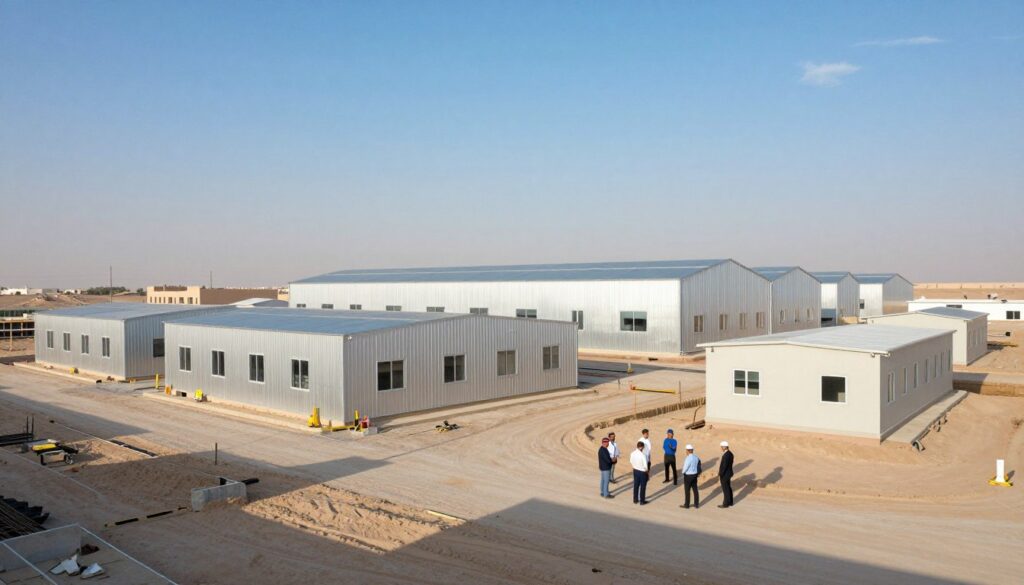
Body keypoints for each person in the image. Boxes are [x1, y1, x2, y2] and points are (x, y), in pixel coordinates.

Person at [680, 444, 701, 509]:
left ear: (688, 451)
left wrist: (683, 472)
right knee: (695, 490)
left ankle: (687, 505)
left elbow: (685, 467)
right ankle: (696, 504)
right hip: (694, 475)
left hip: (688, 476)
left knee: (687, 490)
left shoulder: (688, 458)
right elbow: (699, 464)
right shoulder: (696, 457)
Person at [718, 440, 734, 508]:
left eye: (721, 447)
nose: (721, 448)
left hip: (725, 474)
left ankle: (725, 503)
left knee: (725, 489)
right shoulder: (730, 453)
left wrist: (720, 474)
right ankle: (730, 502)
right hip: (729, 473)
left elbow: (724, 466)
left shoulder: (726, 455)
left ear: (725, 447)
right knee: (728, 488)